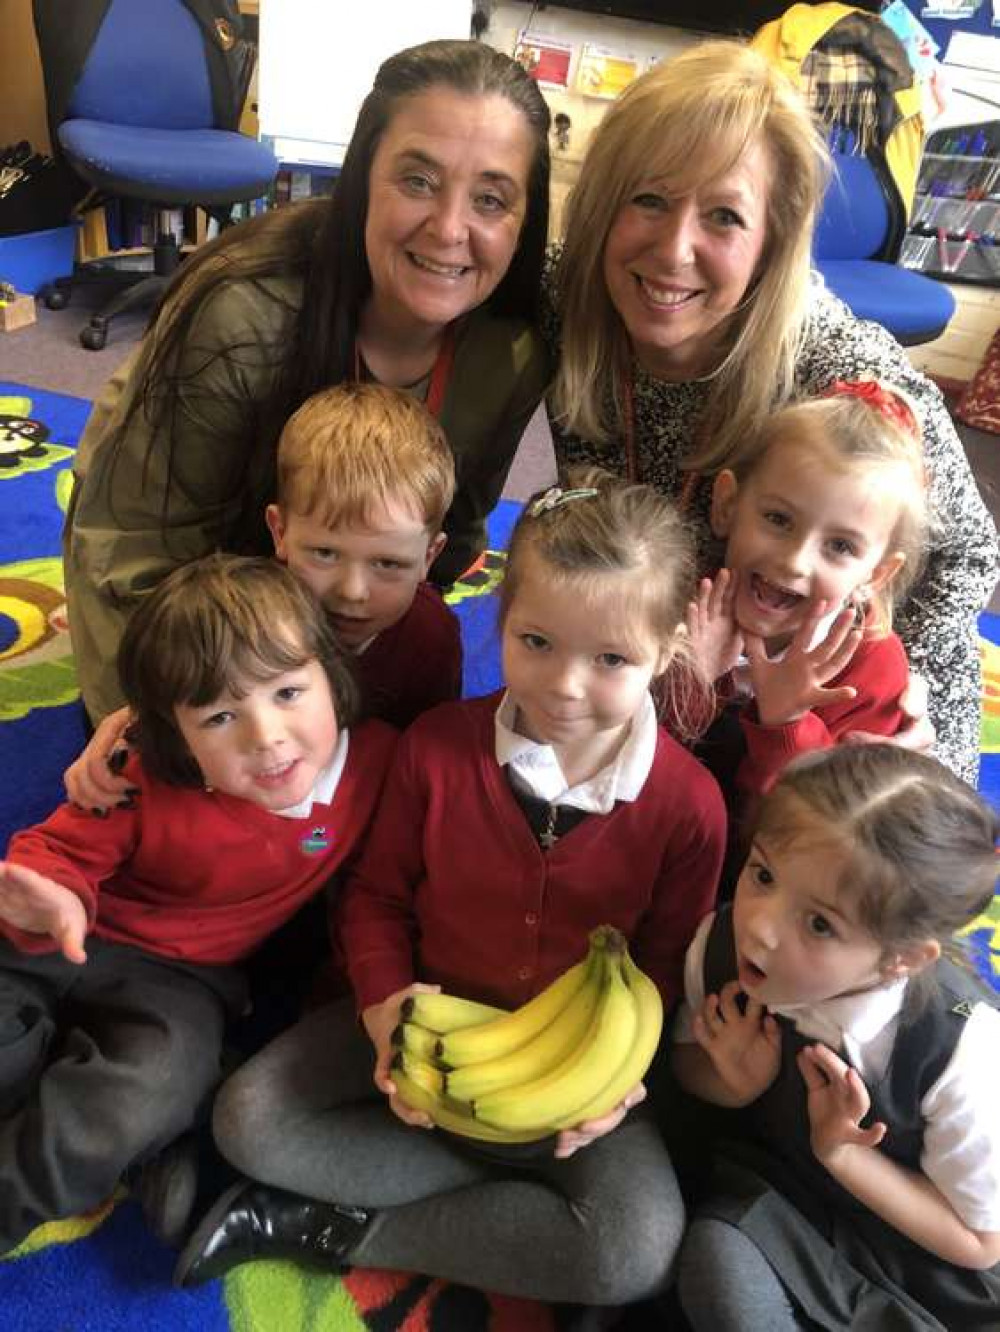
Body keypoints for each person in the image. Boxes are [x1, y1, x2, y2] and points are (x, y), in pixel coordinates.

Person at [173, 469, 727, 1309]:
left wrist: (614, 1085)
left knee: (633, 1253)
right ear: (500, 620)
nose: (565, 686)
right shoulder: (435, 750)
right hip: (421, 1032)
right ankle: (490, 1191)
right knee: (248, 1118)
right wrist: (383, 1004)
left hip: (567, 1073)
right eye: (536, 642)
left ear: (668, 650)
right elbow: (377, 901)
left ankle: (326, 1225)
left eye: (611, 659)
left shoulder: (689, 808)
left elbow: (658, 969)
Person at [544, 39, 998, 786]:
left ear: (772, 241)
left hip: (818, 703)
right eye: (649, 199)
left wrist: (888, 693)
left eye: (723, 216)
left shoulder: (836, 370)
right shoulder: (568, 295)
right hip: (668, 672)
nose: (674, 249)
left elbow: (969, 553)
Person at [64, 37, 552, 727]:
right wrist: (161, 732)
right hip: (185, 560)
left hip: (322, 585)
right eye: (417, 180)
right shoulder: (243, 315)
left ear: (525, 220)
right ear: (361, 179)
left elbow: (456, 540)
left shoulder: (511, 354)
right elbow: (134, 551)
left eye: (492, 199)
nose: (449, 229)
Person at [0, 554, 396, 1256]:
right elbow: (60, 851)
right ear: (174, 735)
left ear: (332, 678)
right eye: (219, 715)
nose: (265, 737)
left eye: (287, 693)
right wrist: (44, 895)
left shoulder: (382, 768)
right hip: (60, 934)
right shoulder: (139, 768)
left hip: (182, 982)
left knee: (145, 1095)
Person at [671, 743, 1000, 1331]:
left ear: (901, 958)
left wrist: (846, 1155)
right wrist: (730, 1083)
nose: (761, 927)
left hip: (925, 1264)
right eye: (763, 874)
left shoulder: (962, 1052)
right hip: (788, 1213)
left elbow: (979, 1240)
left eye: (820, 923)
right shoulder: (718, 947)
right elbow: (682, 1063)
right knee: (712, 1258)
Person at [65, 381, 462, 810]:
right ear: (279, 531)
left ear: (430, 556)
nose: (352, 591)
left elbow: (423, 757)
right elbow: (177, 699)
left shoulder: (431, 637)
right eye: (325, 553)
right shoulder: (235, 611)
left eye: (388, 564)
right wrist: (130, 724)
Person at [688, 379, 926, 800]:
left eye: (840, 546)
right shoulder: (681, 600)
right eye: (778, 519)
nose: (795, 561)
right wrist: (689, 680)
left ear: (875, 576)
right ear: (727, 506)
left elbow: (824, 827)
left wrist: (786, 723)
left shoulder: (871, 670)